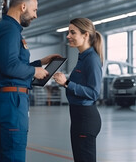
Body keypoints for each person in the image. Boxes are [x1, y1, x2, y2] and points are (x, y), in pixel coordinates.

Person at [0, 0, 60, 162]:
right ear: (23, 6)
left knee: (0, 153)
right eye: (34, 10)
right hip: (12, 101)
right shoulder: (10, 30)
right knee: (13, 152)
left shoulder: (6, 28)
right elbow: (9, 66)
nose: (36, 15)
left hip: (4, 98)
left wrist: (40, 62)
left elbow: (12, 64)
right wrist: (35, 71)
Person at [53, 18, 103, 162]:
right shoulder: (82, 57)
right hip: (77, 117)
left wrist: (67, 83)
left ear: (85, 35)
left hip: (85, 118)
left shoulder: (92, 59)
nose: (68, 36)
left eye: (72, 32)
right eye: (68, 32)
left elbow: (94, 93)